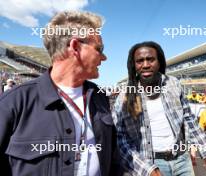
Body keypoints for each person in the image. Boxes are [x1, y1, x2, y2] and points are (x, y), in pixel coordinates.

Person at [0, 11, 121, 176]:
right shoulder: (13, 102)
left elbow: (113, 158)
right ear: (75, 47)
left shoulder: (99, 97)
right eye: (99, 48)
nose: (104, 57)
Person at [112, 41, 206, 176]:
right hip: (150, 163)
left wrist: (205, 149)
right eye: (140, 61)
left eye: (150, 59)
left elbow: (189, 119)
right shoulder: (125, 94)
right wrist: (145, 168)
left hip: (182, 160)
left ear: (159, 62)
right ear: (134, 65)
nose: (145, 65)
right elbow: (119, 136)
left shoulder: (173, 84)